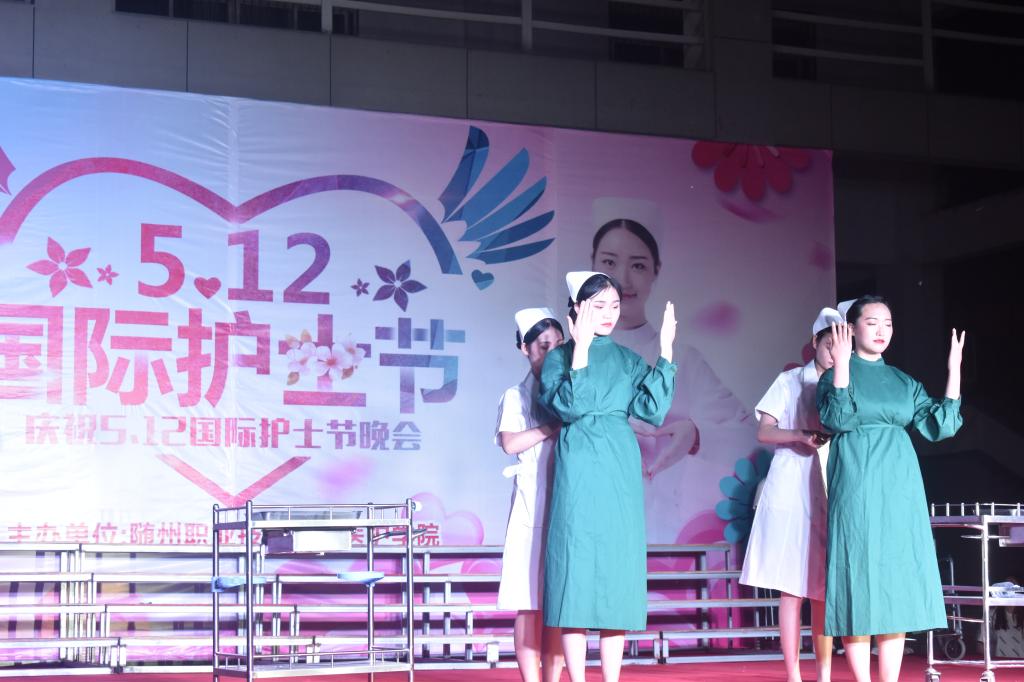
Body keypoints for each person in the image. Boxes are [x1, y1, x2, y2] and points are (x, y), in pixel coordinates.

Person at [818, 295, 966, 682]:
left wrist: (954, 373)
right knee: (857, 575)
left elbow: (940, 426)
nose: (882, 330)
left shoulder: (903, 381)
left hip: (900, 484)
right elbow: (836, 418)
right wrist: (842, 366)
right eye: (872, 322)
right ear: (851, 329)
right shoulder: (833, 375)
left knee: (895, 580)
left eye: (887, 323)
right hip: (857, 478)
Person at [539, 271, 676, 682]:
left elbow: (652, 410)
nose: (609, 314)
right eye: (598, 306)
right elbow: (569, 407)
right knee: (576, 569)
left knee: (617, 571)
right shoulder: (557, 359)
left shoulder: (627, 359)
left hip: (619, 465)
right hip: (579, 463)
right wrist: (580, 350)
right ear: (577, 309)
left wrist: (667, 351)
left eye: (614, 306)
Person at [589, 216, 754, 544]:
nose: (623, 279)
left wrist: (696, 435)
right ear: (592, 265)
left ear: (656, 271)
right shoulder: (572, 357)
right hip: (584, 513)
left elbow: (749, 433)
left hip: (654, 533)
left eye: (638, 265)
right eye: (609, 262)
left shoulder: (682, 360)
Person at [741, 306, 845, 682]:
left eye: (841, 348)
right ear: (815, 342)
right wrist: (800, 436)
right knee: (791, 587)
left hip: (831, 482)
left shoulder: (845, 384)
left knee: (822, 589)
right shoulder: (789, 380)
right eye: (829, 345)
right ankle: (793, 674)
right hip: (790, 482)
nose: (834, 354)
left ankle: (824, 673)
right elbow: (764, 431)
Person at [495, 307, 566, 682]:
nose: (552, 353)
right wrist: (553, 425)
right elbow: (510, 443)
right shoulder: (516, 395)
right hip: (530, 505)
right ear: (524, 348)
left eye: (558, 344)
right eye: (543, 346)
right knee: (528, 602)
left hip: (566, 504)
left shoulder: (572, 391)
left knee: (559, 603)